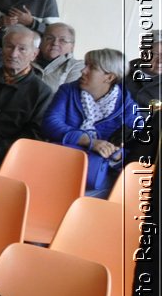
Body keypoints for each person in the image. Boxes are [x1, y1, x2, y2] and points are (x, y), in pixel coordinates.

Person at [42, 47, 145, 195]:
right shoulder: (68, 91)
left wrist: (117, 154)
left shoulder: (127, 106)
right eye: (85, 65)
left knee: (82, 199)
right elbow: (49, 124)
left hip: (96, 173)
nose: (83, 71)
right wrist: (88, 141)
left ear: (109, 77)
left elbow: (139, 144)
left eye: (92, 67)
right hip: (60, 161)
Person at [0, 24, 55, 170]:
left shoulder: (42, 93)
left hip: (11, 159)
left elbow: (34, 135)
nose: (13, 54)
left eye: (22, 49)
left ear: (34, 54)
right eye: (9, 46)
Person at [37, 21, 82, 90]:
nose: (55, 43)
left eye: (62, 40)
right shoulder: (28, 61)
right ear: (41, 42)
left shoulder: (77, 66)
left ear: (72, 46)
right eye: (50, 38)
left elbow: (69, 96)